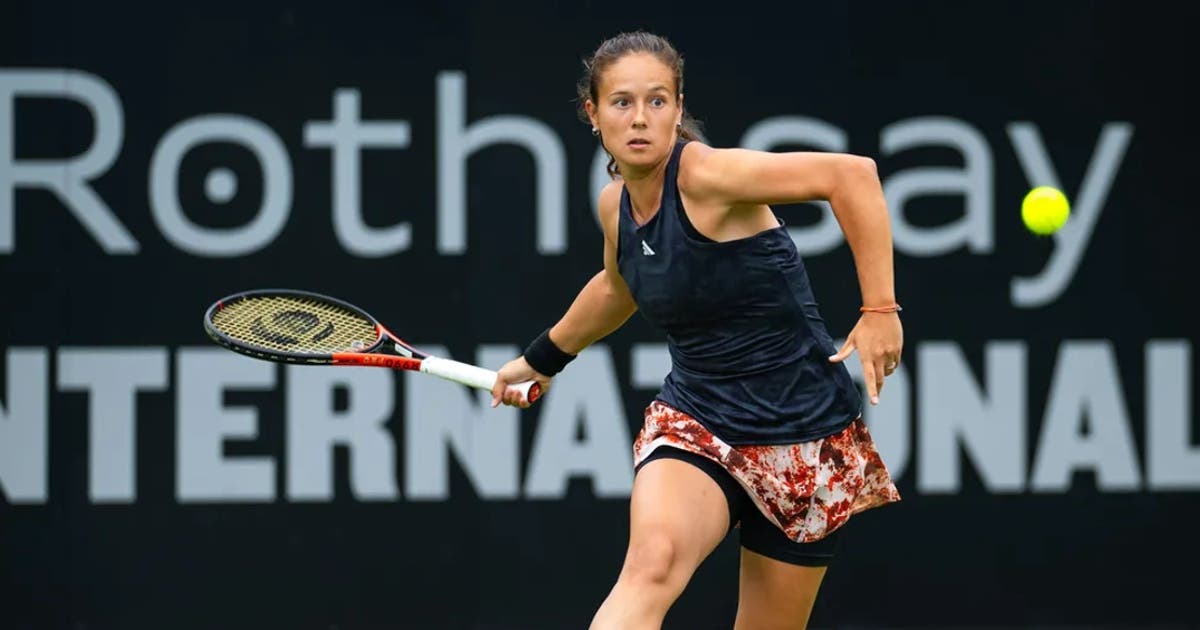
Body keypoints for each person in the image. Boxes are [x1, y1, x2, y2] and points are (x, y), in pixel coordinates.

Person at [490, 30, 902, 630]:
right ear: (593, 113)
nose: (640, 119)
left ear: (679, 109)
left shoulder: (708, 176)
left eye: (657, 101)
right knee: (651, 566)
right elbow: (618, 287)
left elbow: (853, 177)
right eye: (622, 102)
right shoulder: (616, 207)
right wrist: (543, 358)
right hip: (698, 420)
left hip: (808, 433)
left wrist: (881, 310)